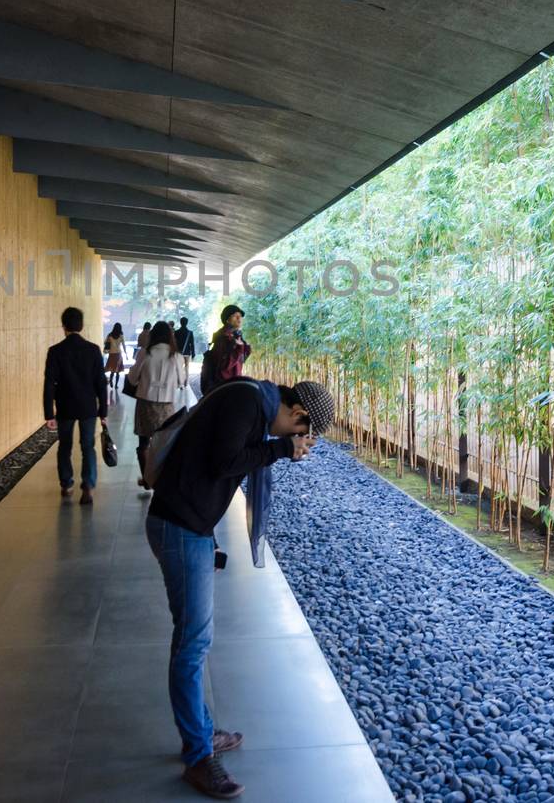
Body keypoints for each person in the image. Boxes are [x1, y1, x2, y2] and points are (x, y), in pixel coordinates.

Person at [146, 377, 335, 799]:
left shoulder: (252, 400)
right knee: (192, 644)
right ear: (298, 413)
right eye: (300, 432)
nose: (294, 439)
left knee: (195, 640)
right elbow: (224, 461)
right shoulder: (248, 403)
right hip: (179, 525)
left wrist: (278, 449)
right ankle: (198, 755)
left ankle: (202, 732)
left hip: (189, 525)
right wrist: (283, 450)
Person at [43, 306, 108, 505]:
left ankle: (67, 484)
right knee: (88, 446)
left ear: (64, 326)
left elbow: (49, 383)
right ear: (81, 325)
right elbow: (100, 382)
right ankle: (88, 484)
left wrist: (49, 414)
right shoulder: (93, 350)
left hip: (65, 407)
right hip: (88, 407)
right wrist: (103, 411)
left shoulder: (55, 351)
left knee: (65, 446)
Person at [129, 320, 188, 488]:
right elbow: (182, 381)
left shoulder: (144, 353)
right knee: (166, 442)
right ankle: (163, 478)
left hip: (146, 403)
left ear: (153, 334)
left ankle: (147, 479)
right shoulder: (175, 356)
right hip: (167, 405)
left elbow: (132, 379)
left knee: (143, 443)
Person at [200, 305, 251, 395]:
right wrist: (239, 348)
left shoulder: (236, 336)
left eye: (240, 316)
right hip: (225, 387)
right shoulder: (224, 338)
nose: (239, 318)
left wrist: (245, 348)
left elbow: (241, 360)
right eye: (235, 316)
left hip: (231, 384)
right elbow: (225, 367)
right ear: (227, 319)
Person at [103, 322, 126, 392]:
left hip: (112, 354)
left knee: (112, 371)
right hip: (118, 354)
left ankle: (111, 381)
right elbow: (124, 345)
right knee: (118, 371)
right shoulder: (121, 335)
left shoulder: (110, 335)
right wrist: (126, 353)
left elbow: (105, 342)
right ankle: (116, 385)